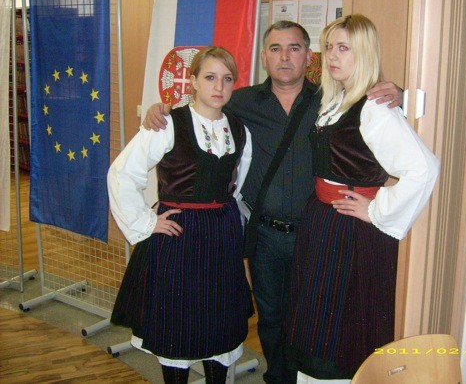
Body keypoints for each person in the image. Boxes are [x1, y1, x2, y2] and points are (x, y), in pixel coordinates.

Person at [144, 20, 403, 384]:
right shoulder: (242, 101)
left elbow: (373, 110)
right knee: (271, 316)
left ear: (308, 56)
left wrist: (400, 94)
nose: (284, 57)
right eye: (276, 49)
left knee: (312, 314)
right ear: (264, 56)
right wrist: (162, 109)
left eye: (294, 48)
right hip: (264, 234)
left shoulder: (331, 100)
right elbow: (202, 109)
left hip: (315, 233)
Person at [285, 14, 440, 383]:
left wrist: (376, 209)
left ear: (364, 53)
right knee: (318, 317)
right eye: (330, 47)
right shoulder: (336, 99)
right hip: (324, 221)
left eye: (344, 48)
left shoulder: (374, 108)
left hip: (350, 231)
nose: (332, 56)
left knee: (343, 325)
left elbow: (424, 168)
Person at [108, 46, 253, 384]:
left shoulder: (239, 129)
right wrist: (146, 222)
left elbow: (238, 179)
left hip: (221, 235)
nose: (218, 86)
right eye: (210, 77)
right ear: (193, 81)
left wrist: (228, 213)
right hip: (179, 233)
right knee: (179, 321)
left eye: (227, 79)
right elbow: (122, 174)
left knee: (219, 318)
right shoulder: (167, 124)